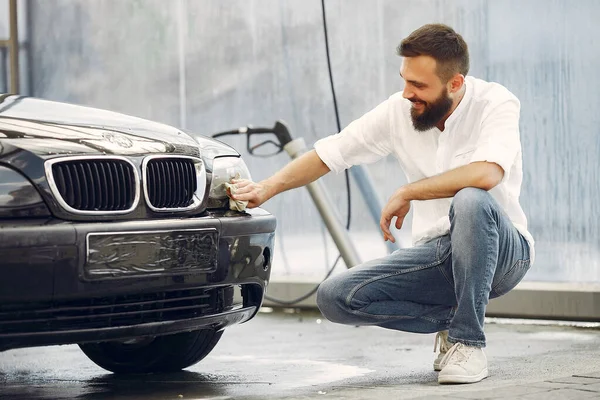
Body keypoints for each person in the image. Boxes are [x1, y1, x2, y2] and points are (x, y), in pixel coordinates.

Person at [229, 23, 534, 385]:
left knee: (470, 199)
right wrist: (266, 187)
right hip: (437, 255)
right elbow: (331, 153)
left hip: (503, 252)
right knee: (335, 297)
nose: (407, 93)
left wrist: (410, 191)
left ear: (455, 84)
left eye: (419, 86)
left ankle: (469, 340)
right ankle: (451, 322)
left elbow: (486, 174)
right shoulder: (398, 110)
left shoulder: (495, 102)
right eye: (405, 80)